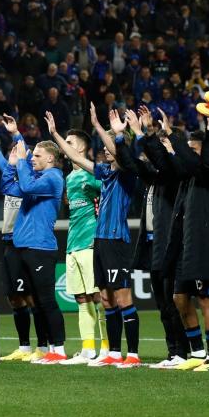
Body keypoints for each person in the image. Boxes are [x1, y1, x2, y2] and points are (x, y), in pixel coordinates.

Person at [56, 104, 140, 368]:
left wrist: (104, 130)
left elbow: (119, 151)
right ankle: (114, 352)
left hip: (116, 239)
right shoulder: (105, 173)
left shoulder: (128, 172)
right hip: (99, 241)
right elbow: (79, 159)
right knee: (106, 298)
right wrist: (56, 135)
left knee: (123, 297)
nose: (104, 150)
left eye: (109, 146)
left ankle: (133, 355)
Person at [144, 108, 209, 372]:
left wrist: (171, 133)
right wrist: (146, 134)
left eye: (193, 148)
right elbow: (167, 162)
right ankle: (197, 352)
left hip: (204, 241)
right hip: (185, 244)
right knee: (180, 297)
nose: (187, 152)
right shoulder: (186, 175)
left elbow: (189, 160)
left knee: (204, 298)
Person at [0, 108, 50, 362]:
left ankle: (43, 345)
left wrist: (17, 136)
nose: (12, 154)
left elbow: (22, 154)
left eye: (17, 152)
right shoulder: (9, 175)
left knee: (31, 297)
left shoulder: (29, 178)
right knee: (13, 297)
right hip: (8, 242)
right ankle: (24, 346)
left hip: (26, 243)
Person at [119, 107, 187, 369]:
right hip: (151, 245)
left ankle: (183, 351)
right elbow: (131, 164)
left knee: (172, 302)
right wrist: (118, 138)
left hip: (169, 245)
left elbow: (160, 160)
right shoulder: (153, 178)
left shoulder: (172, 176)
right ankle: (173, 352)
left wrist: (144, 132)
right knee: (162, 303)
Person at [45, 113, 106, 364]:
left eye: (70, 142)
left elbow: (108, 195)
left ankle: (107, 349)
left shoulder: (93, 174)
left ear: (81, 148)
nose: (66, 146)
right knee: (81, 298)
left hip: (91, 242)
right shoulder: (68, 179)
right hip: (73, 244)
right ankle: (88, 349)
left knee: (98, 297)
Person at [9, 115, 69, 364]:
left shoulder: (54, 178)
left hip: (40, 247)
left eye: (37, 156)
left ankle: (60, 350)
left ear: (51, 159)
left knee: (46, 301)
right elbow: (12, 187)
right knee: (37, 301)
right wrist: (15, 140)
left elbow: (25, 187)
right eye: (31, 156)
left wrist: (21, 161)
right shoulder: (37, 177)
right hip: (25, 246)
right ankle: (46, 349)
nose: (32, 158)